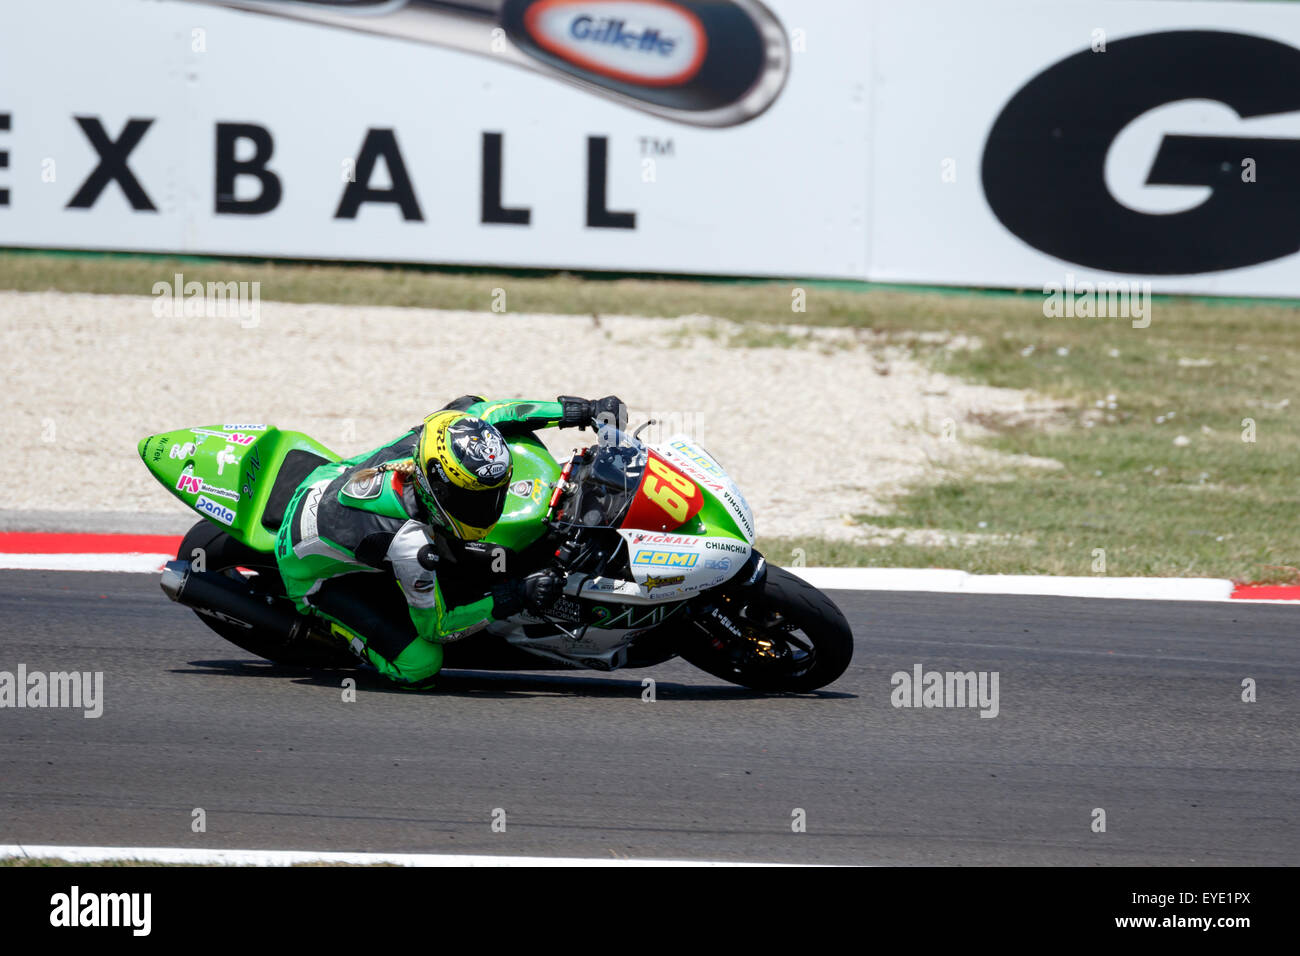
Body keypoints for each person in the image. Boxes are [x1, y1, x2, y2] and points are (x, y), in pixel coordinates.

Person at [273, 394, 626, 689]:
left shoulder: (440, 435)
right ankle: (331, 628)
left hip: (326, 479)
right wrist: (515, 595)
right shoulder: (410, 544)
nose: (491, 506)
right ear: (438, 488)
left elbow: (494, 413)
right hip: (308, 573)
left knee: (475, 405)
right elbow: (439, 627)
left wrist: (582, 411)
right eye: (477, 500)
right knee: (421, 666)